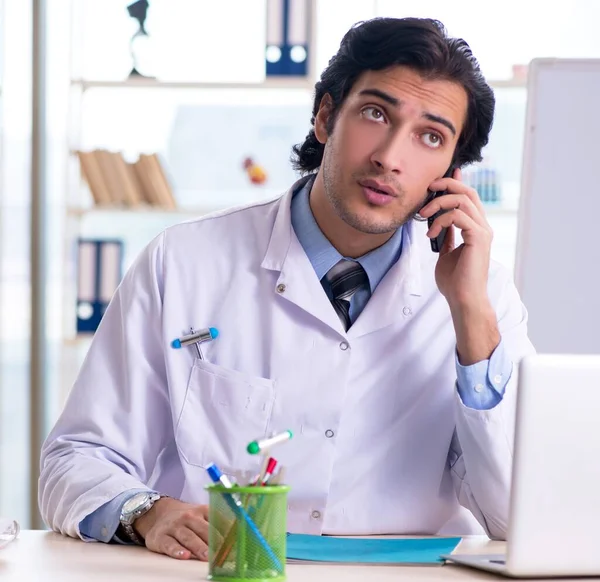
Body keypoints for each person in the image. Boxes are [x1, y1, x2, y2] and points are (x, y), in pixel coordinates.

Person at [39, 17, 535, 561]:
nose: (391, 157)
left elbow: (521, 515)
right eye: (376, 113)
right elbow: (74, 459)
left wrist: (471, 318)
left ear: (452, 171)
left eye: (430, 137)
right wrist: (146, 514)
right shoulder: (182, 260)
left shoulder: (479, 292)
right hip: (225, 569)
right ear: (325, 116)